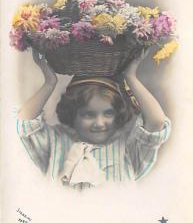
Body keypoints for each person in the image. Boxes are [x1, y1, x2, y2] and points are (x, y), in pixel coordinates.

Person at [16, 49, 171, 190]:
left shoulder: (127, 148)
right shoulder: (55, 142)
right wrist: (50, 83)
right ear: (72, 114)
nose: (99, 123)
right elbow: (25, 123)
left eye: (108, 113)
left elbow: (157, 123)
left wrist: (130, 77)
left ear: (118, 114)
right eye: (88, 115)